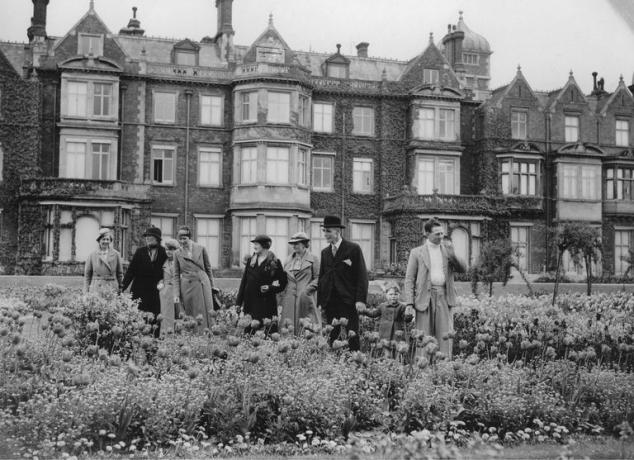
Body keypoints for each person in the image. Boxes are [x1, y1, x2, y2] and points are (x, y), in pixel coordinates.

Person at [403, 218, 467, 357]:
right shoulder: (416, 252)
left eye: (442, 233)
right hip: (423, 299)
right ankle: (423, 372)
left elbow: (463, 269)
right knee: (423, 337)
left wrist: (453, 254)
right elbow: (409, 279)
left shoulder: (448, 250)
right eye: (437, 234)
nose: (441, 236)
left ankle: (443, 372)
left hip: (444, 296)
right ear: (427, 234)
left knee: (444, 337)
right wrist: (409, 303)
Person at [317, 215, 368, 351]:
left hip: (349, 301)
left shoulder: (353, 249)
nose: (325, 234)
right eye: (324, 231)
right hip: (330, 302)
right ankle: (335, 366)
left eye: (328, 231)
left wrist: (360, 300)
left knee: (352, 335)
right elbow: (322, 278)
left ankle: (356, 365)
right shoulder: (325, 253)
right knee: (333, 336)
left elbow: (362, 276)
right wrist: (321, 301)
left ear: (337, 231)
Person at [121, 226, 167, 335]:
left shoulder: (164, 252)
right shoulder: (140, 252)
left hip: (156, 292)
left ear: (157, 238)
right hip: (139, 291)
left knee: (155, 318)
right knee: (139, 318)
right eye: (146, 236)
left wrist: (163, 281)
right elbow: (130, 272)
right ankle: (138, 340)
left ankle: (154, 342)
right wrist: (122, 287)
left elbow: (169, 272)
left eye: (150, 236)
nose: (147, 239)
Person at [236, 234, 288, 332]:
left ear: (264, 245)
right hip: (250, 304)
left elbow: (283, 283)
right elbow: (244, 283)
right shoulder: (250, 261)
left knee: (267, 334)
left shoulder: (275, 262)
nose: (254, 246)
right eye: (254, 244)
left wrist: (270, 288)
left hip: (266, 304)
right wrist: (238, 302)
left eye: (257, 244)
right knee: (249, 334)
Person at [173, 226, 216, 331]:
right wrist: (176, 294)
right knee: (190, 312)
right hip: (187, 285)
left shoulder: (201, 248)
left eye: (185, 239)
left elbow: (208, 268)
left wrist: (212, 286)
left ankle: (207, 333)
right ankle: (192, 336)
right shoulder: (177, 253)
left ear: (190, 238)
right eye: (180, 239)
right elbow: (176, 275)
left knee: (205, 310)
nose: (182, 241)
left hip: (202, 283)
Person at [278, 232, 320, 334]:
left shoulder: (313, 259)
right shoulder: (288, 260)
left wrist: (307, 290)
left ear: (304, 244)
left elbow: (318, 278)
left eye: (297, 243)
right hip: (289, 299)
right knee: (288, 328)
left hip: (305, 298)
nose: (294, 246)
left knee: (307, 327)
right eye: (293, 243)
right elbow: (283, 279)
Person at [359, 283, 413, 353]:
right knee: (385, 350)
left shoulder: (402, 307)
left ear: (399, 295)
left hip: (396, 332)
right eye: (391, 294)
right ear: (386, 295)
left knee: (396, 350)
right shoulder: (382, 306)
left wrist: (409, 316)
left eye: (396, 294)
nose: (393, 296)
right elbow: (373, 314)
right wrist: (364, 310)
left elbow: (406, 319)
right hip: (384, 332)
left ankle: (396, 362)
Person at [83, 228, 123, 294]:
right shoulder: (92, 255)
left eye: (108, 239)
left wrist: (121, 289)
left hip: (112, 288)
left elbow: (120, 274)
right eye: (103, 239)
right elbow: (87, 275)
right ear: (99, 241)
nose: (106, 241)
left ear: (110, 241)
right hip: (96, 288)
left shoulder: (116, 254)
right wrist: (86, 291)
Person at [157, 238, 180, 336]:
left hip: (177, 292)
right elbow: (160, 276)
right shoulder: (164, 261)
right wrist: (160, 283)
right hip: (166, 293)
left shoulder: (180, 262)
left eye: (171, 249)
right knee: (166, 317)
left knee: (179, 316)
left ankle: (180, 341)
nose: (169, 252)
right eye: (167, 249)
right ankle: (166, 340)